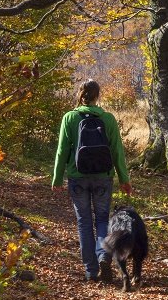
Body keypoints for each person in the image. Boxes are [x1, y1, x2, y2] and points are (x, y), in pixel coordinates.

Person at [51, 79, 132, 282]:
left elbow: (62, 151)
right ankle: (103, 255)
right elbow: (117, 151)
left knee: (84, 222)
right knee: (103, 219)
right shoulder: (108, 119)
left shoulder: (69, 118)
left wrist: (57, 178)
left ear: (80, 94)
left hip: (77, 177)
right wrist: (124, 178)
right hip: (103, 177)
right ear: (98, 96)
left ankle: (90, 271)